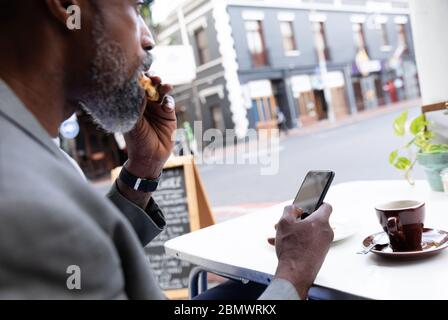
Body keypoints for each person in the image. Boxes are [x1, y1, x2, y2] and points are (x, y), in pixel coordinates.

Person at [0, 0, 333, 300]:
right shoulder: (29, 208)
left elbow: (85, 254)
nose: (148, 39)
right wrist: (293, 274)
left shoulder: (38, 149)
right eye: (135, 8)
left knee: (246, 292)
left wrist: (142, 168)